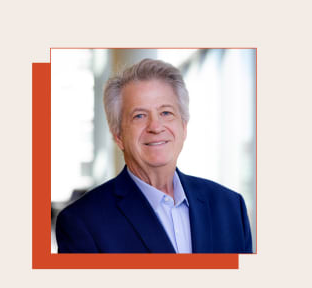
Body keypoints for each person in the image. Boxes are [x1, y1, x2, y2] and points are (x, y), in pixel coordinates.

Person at [56, 58, 252, 253]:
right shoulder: (82, 223)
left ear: (183, 127)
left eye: (166, 113)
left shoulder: (231, 208)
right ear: (118, 135)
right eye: (139, 116)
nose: (156, 127)